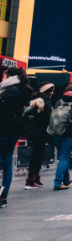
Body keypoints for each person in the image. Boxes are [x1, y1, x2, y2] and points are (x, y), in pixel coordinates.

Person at [0, 67, 32, 206]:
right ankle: (3, 195)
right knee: (7, 162)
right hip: (14, 131)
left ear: (9, 76)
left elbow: (4, 113)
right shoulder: (23, 89)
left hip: (4, 130)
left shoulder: (10, 91)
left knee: (5, 161)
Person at [24, 82, 54, 189]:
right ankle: (32, 179)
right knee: (37, 155)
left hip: (33, 131)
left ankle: (33, 178)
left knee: (36, 155)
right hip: (41, 132)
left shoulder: (34, 99)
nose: (52, 92)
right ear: (47, 91)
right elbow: (48, 118)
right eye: (51, 90)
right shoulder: (46, 102)